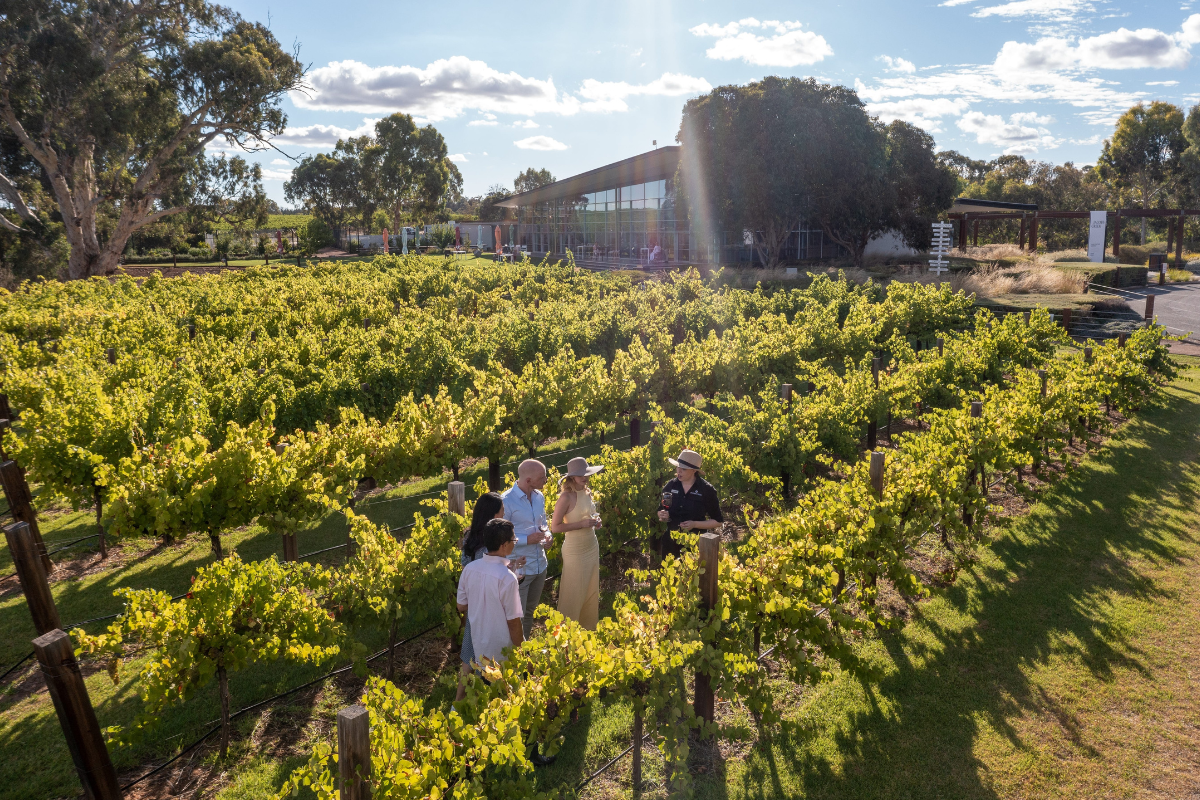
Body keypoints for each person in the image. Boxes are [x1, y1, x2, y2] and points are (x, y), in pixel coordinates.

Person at [455, 492, 507, 702]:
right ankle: (489, 700)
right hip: (490, 607)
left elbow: (466, 568)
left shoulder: (469, 536)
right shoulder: (491, 543)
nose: (505, 513)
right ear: (494, 514)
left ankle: (458, 702)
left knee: (469, 656)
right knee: (490, 654)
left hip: (474, 605)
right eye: (502, 511)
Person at [456, 518, 524, 666]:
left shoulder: (469, 569)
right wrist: (523, 654)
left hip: (479, 649)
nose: (515, 541)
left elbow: (461, 606)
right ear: (504, 545)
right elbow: (513, 623)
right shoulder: (507, 578)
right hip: (503, 654)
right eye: (514, 539)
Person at [550, 457, 604, 630]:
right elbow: (555, 527)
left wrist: (597, 521)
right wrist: (580, 524)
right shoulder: (566, 497)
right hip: (575, 550)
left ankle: (588, 629)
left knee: (590, 588)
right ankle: (566, 633)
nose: (585, 477)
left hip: (591, 545)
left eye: (586, 474)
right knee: (572, 591)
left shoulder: (587, 492)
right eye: (580, 475)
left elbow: (591, 515)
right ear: (572, 477)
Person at [501, 459, 551, 637]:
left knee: (529, 613)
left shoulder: (539, 497)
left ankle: (525, 649)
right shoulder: (506, 501)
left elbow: (543, 524)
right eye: (542, 477)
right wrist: (525, 540)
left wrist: (548, 536)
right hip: (520, 569)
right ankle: (514, 654)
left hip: (540, 565)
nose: (546, 480)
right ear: (528, 480)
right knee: (517, 616)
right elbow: (501, 536)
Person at [655, 449, 723, 559]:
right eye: (678, 467)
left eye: (683, 469)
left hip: (694, 544)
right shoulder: (671, 486)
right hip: (670, 543)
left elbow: (718, 521)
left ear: (693, 471)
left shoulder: (706, 490)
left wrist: (694, 524)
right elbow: (661, 509)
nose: (679, 471)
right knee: (669, 575)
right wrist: (662, 514)